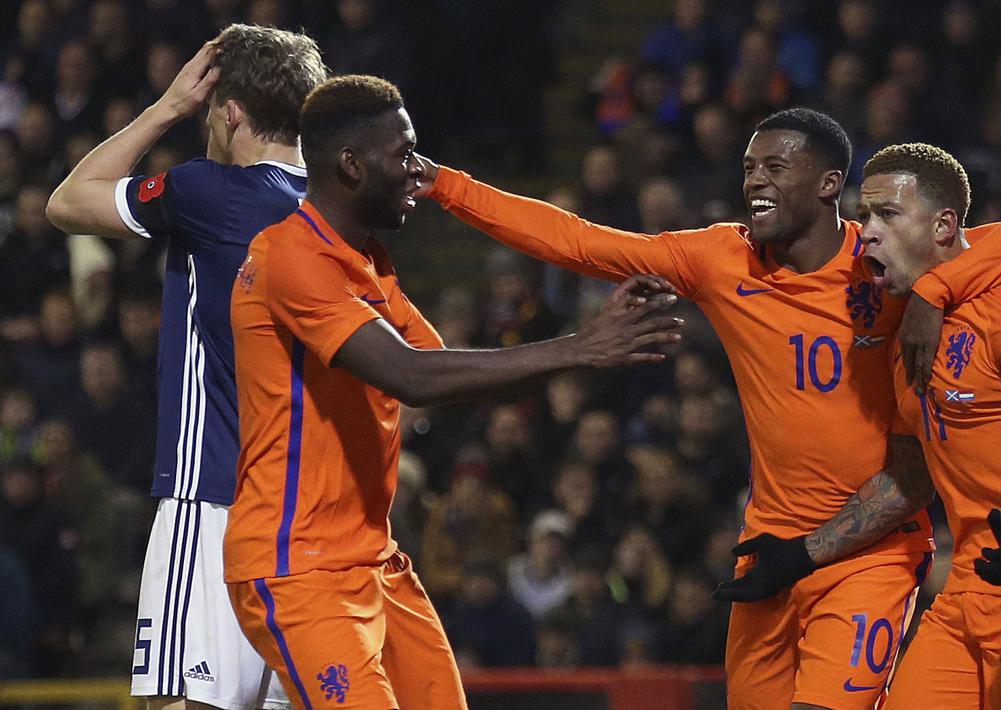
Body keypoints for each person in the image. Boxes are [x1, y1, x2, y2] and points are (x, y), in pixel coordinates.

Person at [417, 107, 1001, 709]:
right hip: (767, 547)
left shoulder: (884, 263)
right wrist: (445, 185)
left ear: (827, 184)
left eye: (774, 168)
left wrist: (932, 291)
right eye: (748, 169)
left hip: (870, 550)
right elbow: (579, 242)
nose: (754, 181)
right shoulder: (719, 259)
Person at [223, 74, 683, 710]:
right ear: (351, 166)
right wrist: (580, 347)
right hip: (297, 566)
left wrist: (577, 343)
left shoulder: (366, 261)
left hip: (370, 559)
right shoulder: (291, 257)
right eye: (403, 152)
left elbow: (440, 371)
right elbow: (411, 375)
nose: (417, 169)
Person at [45, 25, 327, 710]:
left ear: (229, 111)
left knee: (179, 703)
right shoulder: (340, 213)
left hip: (215, 499)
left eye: (208, 109)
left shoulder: (211, 192)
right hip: (314, 522)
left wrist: (166, 106)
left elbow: (67, 201)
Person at [801, 143, 1001, 708]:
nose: (867, 232)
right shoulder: (907, 336)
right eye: (864, 215)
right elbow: (909, 481)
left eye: (888, 214)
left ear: (945, 224)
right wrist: (802, 552)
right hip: (969, 585)